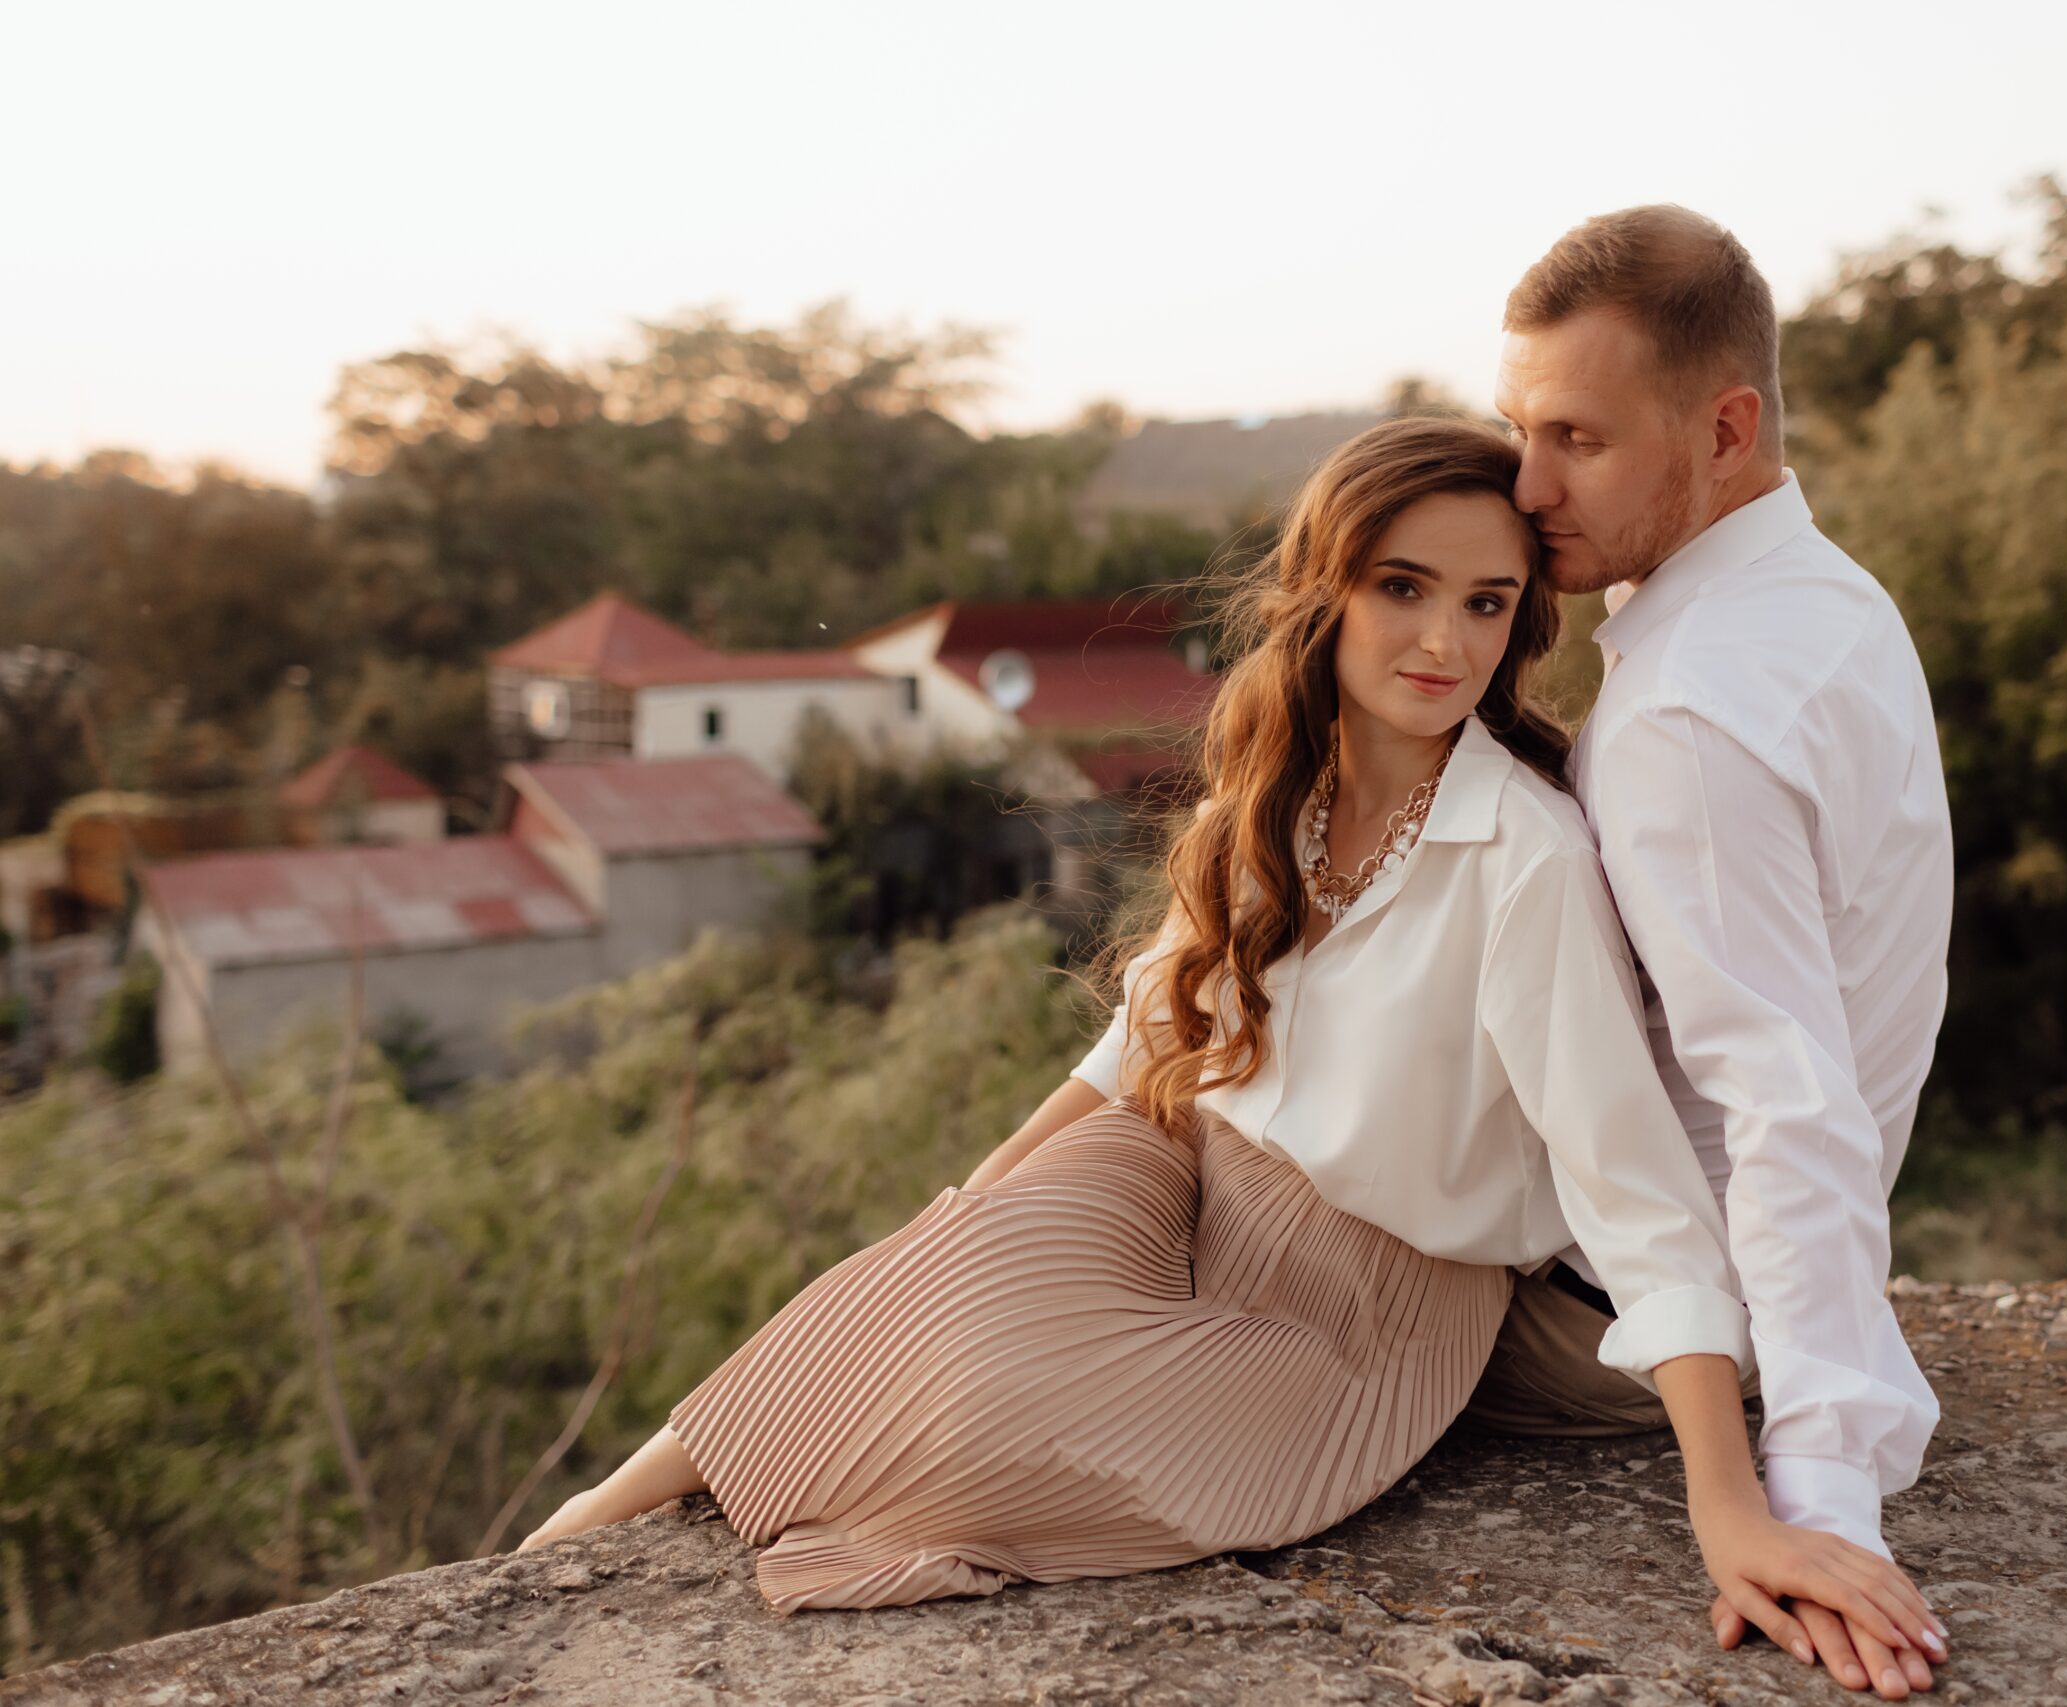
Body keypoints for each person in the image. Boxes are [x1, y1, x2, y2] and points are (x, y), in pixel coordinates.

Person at [517, 415, 1947, 1693]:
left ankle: (781, 1478)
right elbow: (1140, 1034)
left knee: (994, 1432)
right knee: (955, 1246)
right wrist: (958, 1222)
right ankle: (611, 1504)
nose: (1444, 641)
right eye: (1402, 588)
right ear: (1325, 596)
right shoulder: (1273, 802)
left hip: (1368, 1313)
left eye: (1487, 603)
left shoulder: (1521, 858)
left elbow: (1633, 1188)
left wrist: (1734, 1506)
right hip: (1196, 1187)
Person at [1470, 204, 1957, 1700]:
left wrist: (1814, 1499)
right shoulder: (1827, 604)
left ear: (1727, 427)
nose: (1527, 487)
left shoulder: (1688, 715)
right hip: (1695, 1276)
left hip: (1627, 1314)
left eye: (1580, 440)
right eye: (1517, 429)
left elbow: (1784, 1096)